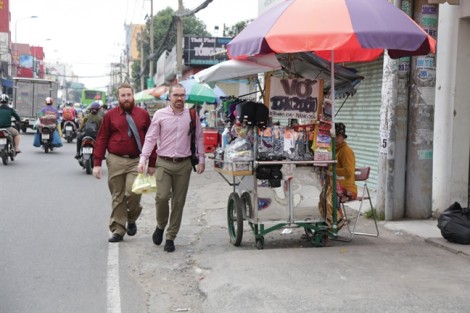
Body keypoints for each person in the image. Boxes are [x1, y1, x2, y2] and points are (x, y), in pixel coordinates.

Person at [138, 83, 205, 253]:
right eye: (176, 95)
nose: (180, 99)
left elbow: (199, 138)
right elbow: (151, 138)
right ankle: (161, 225)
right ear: (169, 97)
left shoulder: (192, 115)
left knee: (178, 202)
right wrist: (143, 158)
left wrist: (202, 159)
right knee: (161, 197)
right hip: (164, 162)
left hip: (184, 164)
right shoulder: (160, 115)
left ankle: (170, 236)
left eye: (182, 95)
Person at [93, 83, 157, 243]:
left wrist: (153, 162)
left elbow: (151, 138)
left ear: (132, 95)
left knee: (133, 193)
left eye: (129, 95)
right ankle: (118, 229)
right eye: (123, 95)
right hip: (115, 159)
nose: (126, 98)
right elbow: (101, 138)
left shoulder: (142, 114)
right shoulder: (110, 116)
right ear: (118, 97)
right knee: (118, 196)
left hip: (137, 160)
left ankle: (131, 218)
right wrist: (96, 163)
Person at [318, 122, 357, 229]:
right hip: (336, 184)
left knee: (329, 197)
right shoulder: (335, 150)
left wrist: (332, 168)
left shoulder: (346, 151)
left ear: (342, 137)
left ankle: (337, 222)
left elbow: (349, 172)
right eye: (332, 137)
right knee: (322, 195)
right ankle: (328, 222)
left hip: (347, 188)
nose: (334, 139)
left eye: (337, 137)